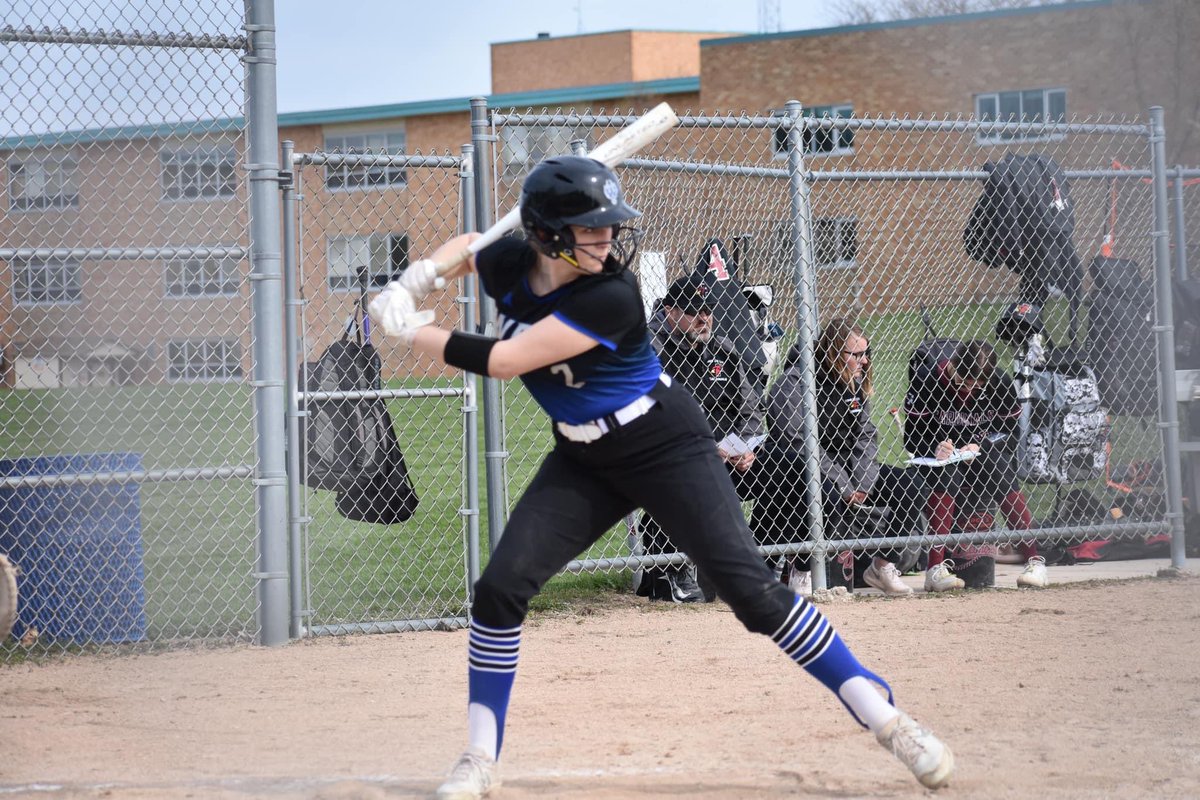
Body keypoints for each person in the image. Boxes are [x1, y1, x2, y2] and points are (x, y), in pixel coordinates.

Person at [368, 155, 954, 798]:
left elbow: (507, 360)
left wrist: (415, 329)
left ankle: (889, 721)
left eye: (609, 227)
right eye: (591, 229)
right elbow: (468, 247)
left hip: (663, 444)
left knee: (753, 595)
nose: (607, 240)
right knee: (500, 589)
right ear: (547, 234)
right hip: (583, 458)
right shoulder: (512, 262)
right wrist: (414, 278)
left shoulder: (611, 296)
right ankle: (480, 757)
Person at [756, 320, 925, 597]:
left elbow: (865, 435)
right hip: (803, 466)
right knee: (828, 495)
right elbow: (800, 442)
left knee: (911, 485)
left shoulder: (853, 382)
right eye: (856, 354)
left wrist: (863, 481)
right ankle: (802, 572)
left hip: (850, 468)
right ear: (833, 353)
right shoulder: (794, 383)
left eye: (865, 353)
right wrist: (844, 484)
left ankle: (882, 566)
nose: (864, 360)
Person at [635, 272, 763, 602]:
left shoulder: (723, 350)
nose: (704, 318)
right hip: (668, 455)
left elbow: (750, 409)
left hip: (729, 455)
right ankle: (670, 570)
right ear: (670, 311)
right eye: (694, 310)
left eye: (708, 310)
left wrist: (746, 447)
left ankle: (766, 559)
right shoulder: (650, 351)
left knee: (789, 468)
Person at [903, 339, 1049, 591]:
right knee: (946, 474)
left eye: (976, 386)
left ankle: (1034, 562)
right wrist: (935, 447)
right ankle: (935, 569)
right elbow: (911, 437)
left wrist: (981, 445)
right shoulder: (927, 379)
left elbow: (1011, 434)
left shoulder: (999, 382)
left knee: (1000, 469)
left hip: (980, 453)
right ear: (952, 365)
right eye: (962, 382)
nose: (968, 390)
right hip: (942, 458)